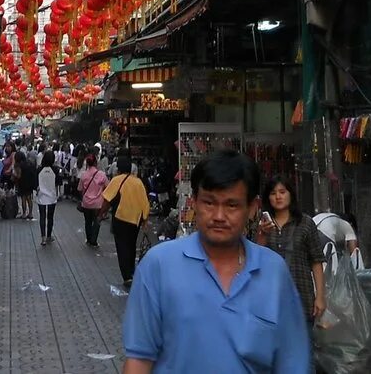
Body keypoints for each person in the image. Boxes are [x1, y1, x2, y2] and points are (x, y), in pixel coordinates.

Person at [122, 150, 310, 374]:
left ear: (252, 207)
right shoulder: (159, 265)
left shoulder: (273, 271)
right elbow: (139, 360)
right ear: (194, 203)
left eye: (231, 205)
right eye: (209, 203)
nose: (219, 216)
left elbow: (292, 362)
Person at [255, 175, 327, 323]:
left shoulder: (305, 223)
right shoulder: (262, 224)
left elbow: (316, 260)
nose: (278, 197)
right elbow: (255, 259)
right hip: (271, 300)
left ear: (290, 195)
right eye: (273, 193)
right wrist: (262, 234)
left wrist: (320, 296)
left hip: (302, 296)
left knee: (304, 343)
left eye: (282, 192)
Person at [101, 156, 151, 287]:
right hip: (135, 220)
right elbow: (145, 203)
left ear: (119, 168)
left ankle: (127, 275)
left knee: (122, 246)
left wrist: (101, 214)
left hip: (121, 218)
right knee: (131, 244)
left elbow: (107, 199)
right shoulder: (138, 182)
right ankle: (131, 270)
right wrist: (145, 220)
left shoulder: (116, 180)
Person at [78, 153, 108, 248]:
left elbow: (80, 189)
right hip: (98, 203)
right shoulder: (102, 175)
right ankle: (93, 241)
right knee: (96, 221)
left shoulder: (84, 175)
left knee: (87, 221)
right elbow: (108, 186)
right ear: (95, 162)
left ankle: (88, 238)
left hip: (86, 202)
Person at [37, 150, 59, 245]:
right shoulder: (55, 170)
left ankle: (43, 238)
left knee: (42, 216)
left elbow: (36, 183)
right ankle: (49, 236)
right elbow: (58, 183)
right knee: (50, 217)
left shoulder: (39, 169)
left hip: (41, 195)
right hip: (52, 196)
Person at [17, 149, 37, 220]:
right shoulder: (30, 163)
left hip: (22, 183)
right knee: (29, 198)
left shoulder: (20, 165)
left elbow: (19, 175)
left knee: (23, 198)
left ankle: (24, 213)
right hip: (30, 183)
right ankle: (30, 213)